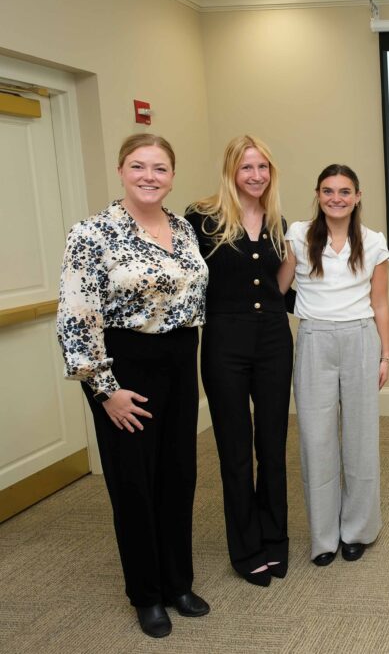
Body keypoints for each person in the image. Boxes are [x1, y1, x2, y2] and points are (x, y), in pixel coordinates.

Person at [56, 134, 210, 638]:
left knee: (178, 475)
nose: (150, 176)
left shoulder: (183, 229)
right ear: (122, 170)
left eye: (160, 168)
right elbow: (77, 320)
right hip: (125, 370)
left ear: (171, 175)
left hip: (180, 363)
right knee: (134, 485)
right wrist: (105, 390)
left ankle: (177, 582)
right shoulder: (92, 233)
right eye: (139, 166)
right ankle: (146, 595)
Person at [185, 136, 292, 587]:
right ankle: (245, 548)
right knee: (234, 449)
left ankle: (274, 540)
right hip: (224, 342)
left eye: (263, 167)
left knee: (272, 446)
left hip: (272, 337)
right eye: (247, 167)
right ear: (231, 171)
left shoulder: (277, 222)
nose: (256, 175)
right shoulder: (201, 219)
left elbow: (281, 284)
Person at [277, 164, 389, 567]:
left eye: (345, 191)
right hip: (314, 340)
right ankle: (324, 537)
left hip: (361, 338)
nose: (336, 198)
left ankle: (357, 529)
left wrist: (385, 354)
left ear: (358, 196)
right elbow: (279, 289)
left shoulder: (374, 242)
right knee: (316, 441)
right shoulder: (299, 236)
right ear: (318, 194)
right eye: (328, 191)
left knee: (360, 439)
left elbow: (380, 303)